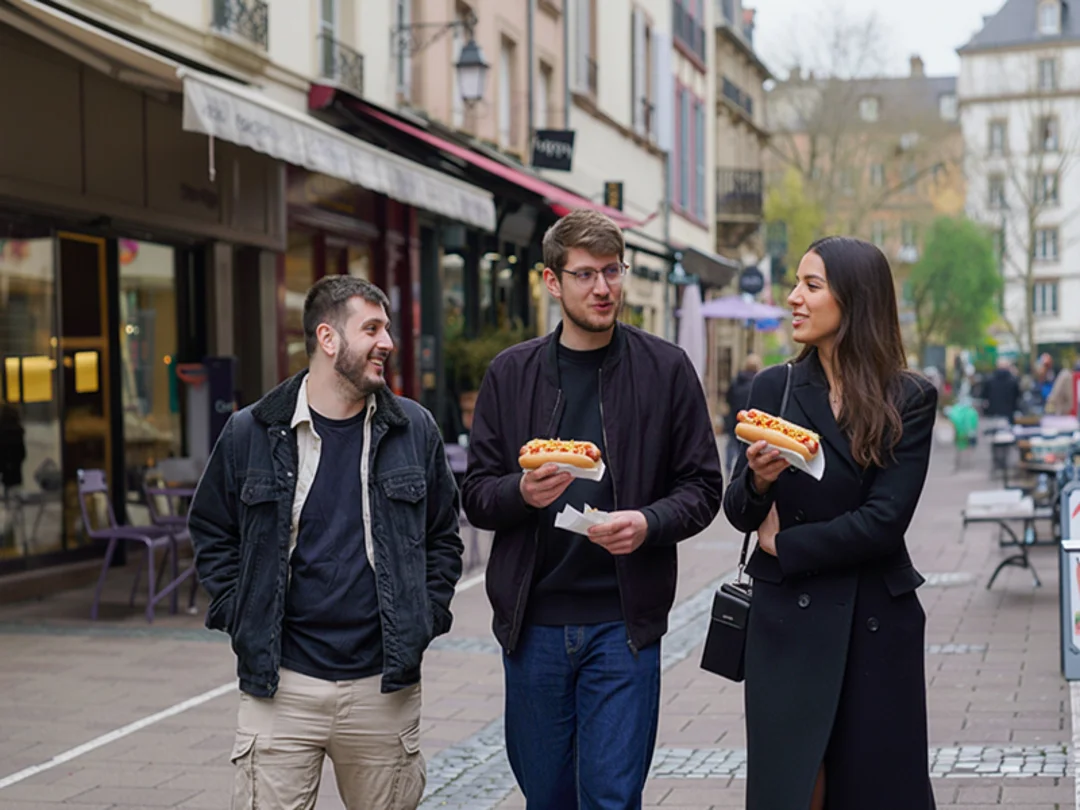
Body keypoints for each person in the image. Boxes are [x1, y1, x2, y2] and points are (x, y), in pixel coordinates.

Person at [462, 209, 723, 809]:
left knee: (610, 797)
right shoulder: (511, 373)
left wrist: (649, 523)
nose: (603, 288)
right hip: (534, 624)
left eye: (612, 271)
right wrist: (521, 495)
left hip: (623, 623)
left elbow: (703, 487)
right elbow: (476, 493)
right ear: (552, 282)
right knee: (547, 797)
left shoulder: (665, 370)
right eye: (585, 275)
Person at [188, 275, 463, 810]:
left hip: (383, 686)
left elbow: (442, 537)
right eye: (373, 329)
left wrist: (424, 617)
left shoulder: (415, 429)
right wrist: (237, 611)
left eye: (387, 329)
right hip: (280, 685)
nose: (388, 342)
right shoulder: (252, 431)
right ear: (328, 338)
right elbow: (212, 529)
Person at [723, 236, 938, 810]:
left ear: (855, 301)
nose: (793, 297)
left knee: (873, 789)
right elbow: (739, 512)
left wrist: (786, 544)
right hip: (786, 628)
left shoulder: (909, 397)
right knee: (792, 788)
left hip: (874, 621)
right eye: (796, 283)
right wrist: (759, 482)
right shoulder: (775, 386)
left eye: (811, 286)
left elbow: (884, 522)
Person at [724, 354, 762, 476]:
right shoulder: (758, 384)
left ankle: (728, 469)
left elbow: (728, 399)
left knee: (731, 445)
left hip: (734, 419)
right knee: (744, 449)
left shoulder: (736, 382)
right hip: (750, 423)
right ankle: (741, 472)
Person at [982, 357, 1021, 423]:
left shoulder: (989, 380)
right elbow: (1018, 396)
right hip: (1009, 415)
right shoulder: (1013, 380)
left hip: (993, 414)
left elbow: (984, 396)